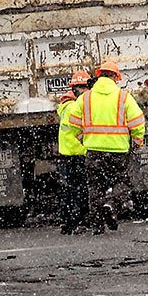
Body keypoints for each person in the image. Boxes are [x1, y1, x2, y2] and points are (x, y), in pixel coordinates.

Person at [69, 58, 145, 234]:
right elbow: (137, 121)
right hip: (118, 151)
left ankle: (97, 226)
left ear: (99, 76)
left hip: (94, 151)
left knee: (95, 187)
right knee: (123, 182)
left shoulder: (85, 98)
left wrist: (82, 137)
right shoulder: (123, 97)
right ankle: (111, 204)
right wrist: (137, 140)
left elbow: (72, 121)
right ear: (115, 78)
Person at [55, 70, 90, 234]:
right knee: (81, 189)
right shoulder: (76, 107)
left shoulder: (66, 106)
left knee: (69, 190)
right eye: (84, 87)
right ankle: (81, 220)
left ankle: (69, 222)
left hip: (67, 155)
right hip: (78, 153)